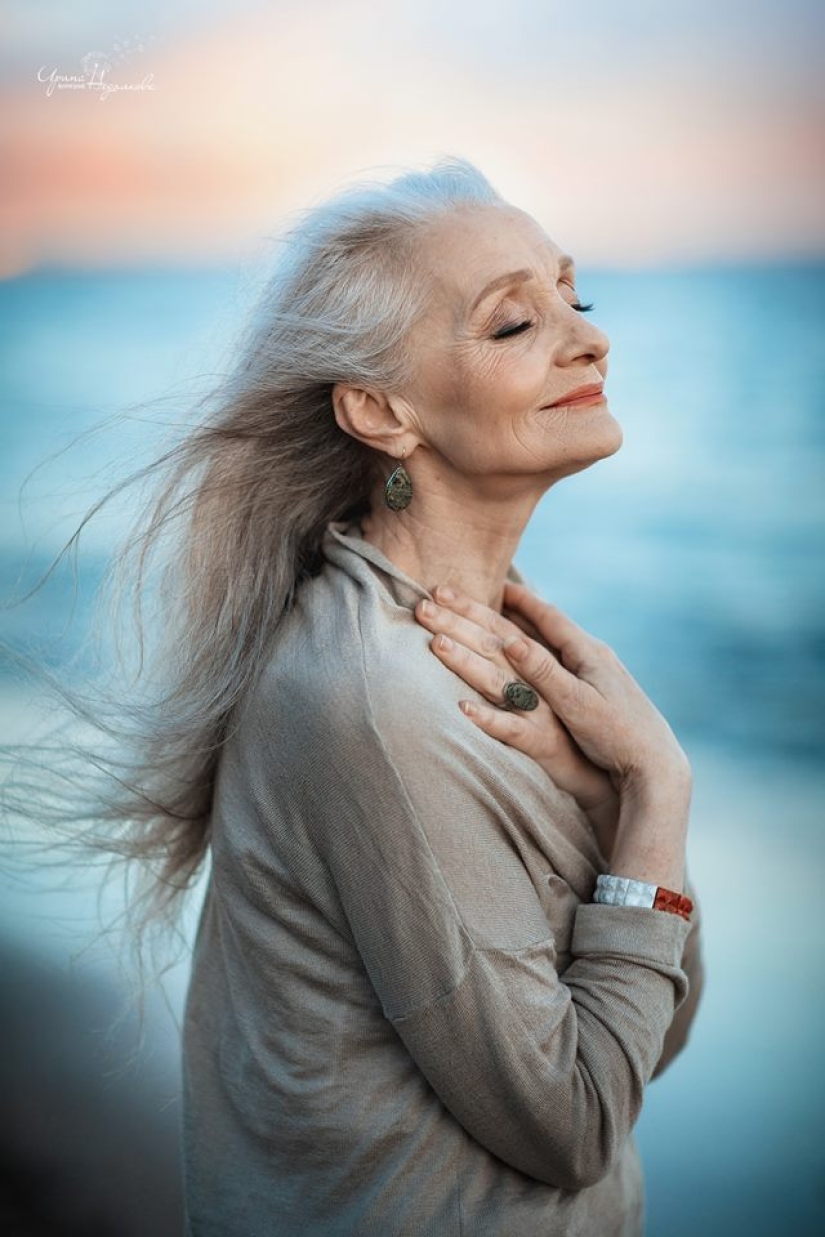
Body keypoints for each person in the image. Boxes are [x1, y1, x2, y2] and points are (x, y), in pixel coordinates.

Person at [177, 157, 704, 1237]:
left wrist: (604, 808)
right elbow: (576, 1122)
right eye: (515, 324)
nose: (588, 336)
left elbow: (656, 1026)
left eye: (575, 295)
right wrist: (656, 789)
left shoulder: (480, 647)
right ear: (381, 412)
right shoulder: (374, 703)